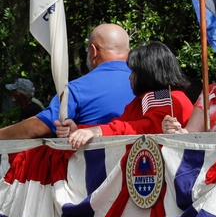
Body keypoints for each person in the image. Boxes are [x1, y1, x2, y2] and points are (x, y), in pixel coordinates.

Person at [0, 24, 134, 140]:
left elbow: (37, 127)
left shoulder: (78, 89)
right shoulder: (150, 83)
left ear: (94, 51)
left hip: (96, 168)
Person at [62, 42, 193, 148]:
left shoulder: (172, 98)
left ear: (147, 73)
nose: (130, 77)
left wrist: (97, 131)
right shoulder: (140, 101)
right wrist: (78, 130)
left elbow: (142, 128)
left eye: (134, 72)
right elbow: (117, 125)